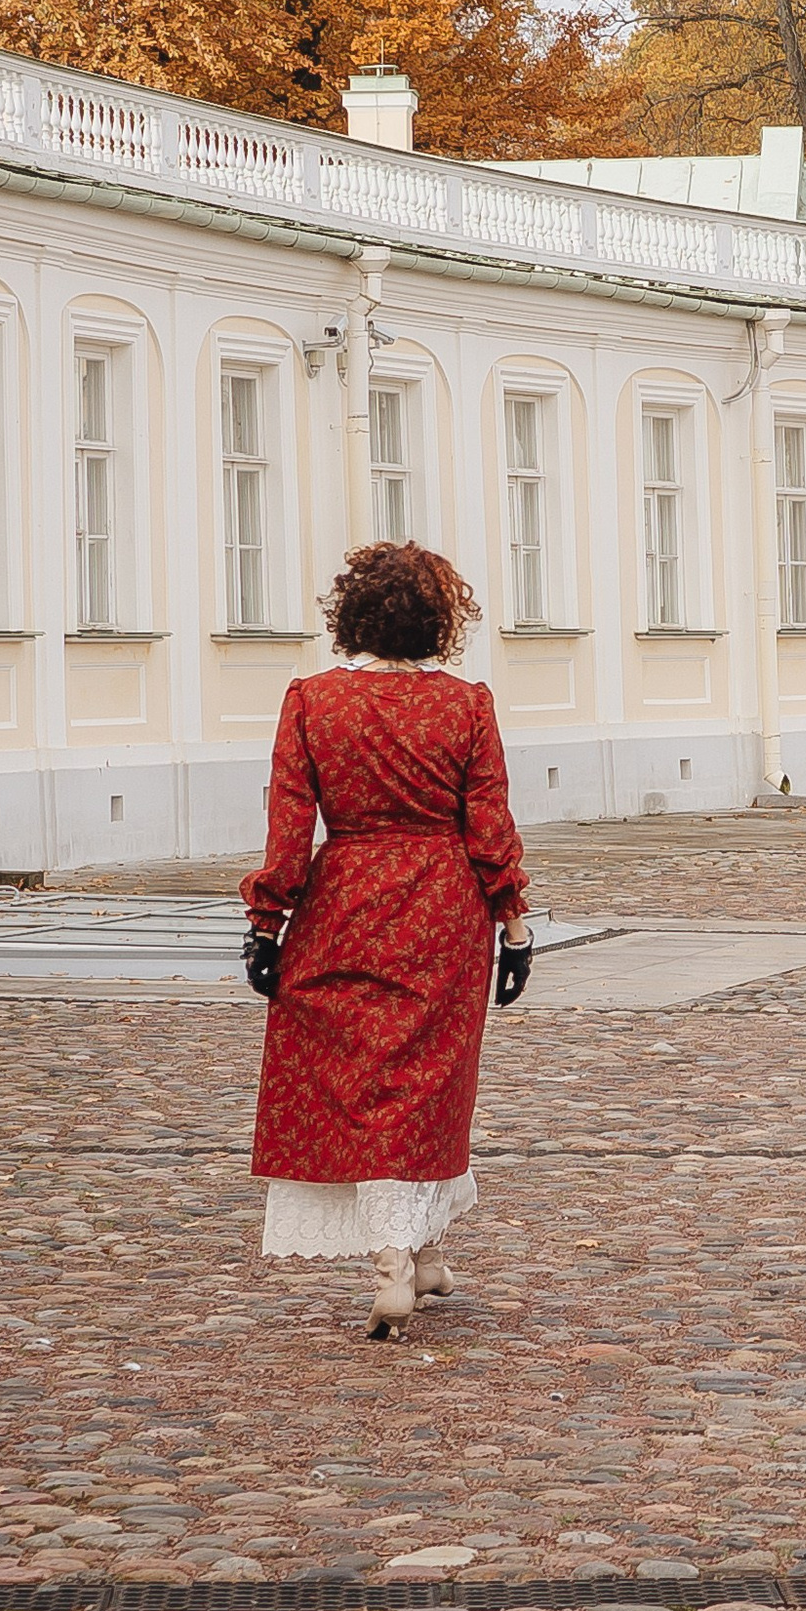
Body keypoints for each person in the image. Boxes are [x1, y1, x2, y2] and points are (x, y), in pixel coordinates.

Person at [243, 539, 531, 1338]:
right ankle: (402, 1258)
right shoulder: (466, 705)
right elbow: (489, 824)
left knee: (357, 1080)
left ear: (351, 618)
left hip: (344, 898)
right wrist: (512, 922)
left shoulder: (313, 699)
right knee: (429, 1080)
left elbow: (289, 824)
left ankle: (412, 1258)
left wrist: (267, 923)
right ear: (441, 622)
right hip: (443, 905)